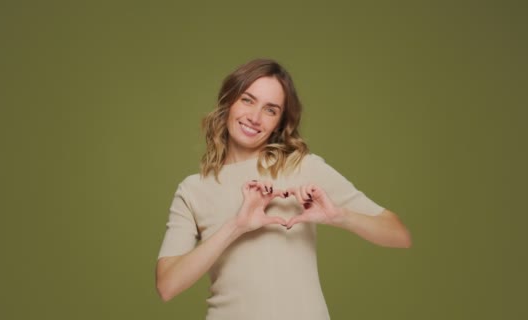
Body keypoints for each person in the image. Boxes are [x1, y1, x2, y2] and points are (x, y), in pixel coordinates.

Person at [155, 58, 411, 319]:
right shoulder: (193, 190)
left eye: (270, 109)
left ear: (279, 121)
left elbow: (399, 234)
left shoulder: (302, 167)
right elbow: (167, 286)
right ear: (229, 102)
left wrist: (340, 216)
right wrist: (236, 226)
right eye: (247, 100)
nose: (254, 118)